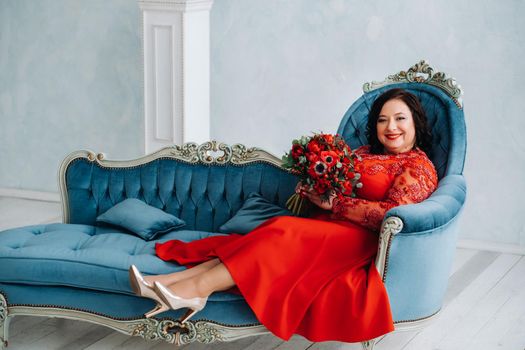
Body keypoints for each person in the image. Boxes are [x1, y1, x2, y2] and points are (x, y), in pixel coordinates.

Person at [128, 88, 438, 343]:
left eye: (400, 119)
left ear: (415, 124)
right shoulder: (363, 152)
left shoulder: (416, 165)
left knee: (283, 230)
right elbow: (334, 186)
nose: (391, 127)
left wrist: (337, 205)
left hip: (360, 240)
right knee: (275, 230)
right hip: (330, 228)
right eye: (383, 120)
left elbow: (392, 215)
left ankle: (196, 290)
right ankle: (172, 281)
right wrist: (316, 188)